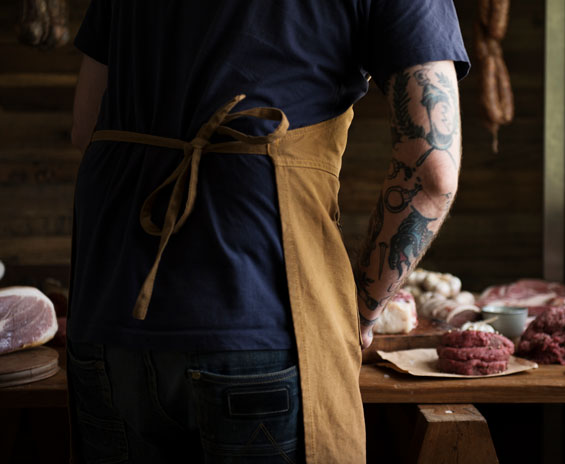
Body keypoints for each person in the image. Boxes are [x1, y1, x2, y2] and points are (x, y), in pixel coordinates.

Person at [67, 1, 469, 462]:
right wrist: (362, 309)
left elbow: (86, 126)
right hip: (267, 313)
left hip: (110, 311)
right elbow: (432, 175)